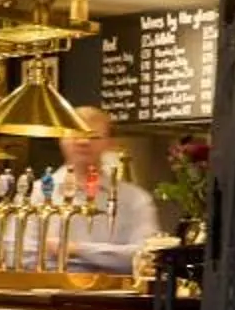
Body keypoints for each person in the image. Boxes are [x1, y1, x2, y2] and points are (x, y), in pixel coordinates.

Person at [57, 106, 167, 273]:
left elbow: (147, 255)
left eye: (93, 136)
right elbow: (21, 253)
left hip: (115, 297)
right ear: (60, 138)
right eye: (76, 134)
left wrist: (76, 249)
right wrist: (109, 257)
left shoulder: (135, 199)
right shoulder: (36, 193)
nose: (83, 142)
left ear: (109, 143)